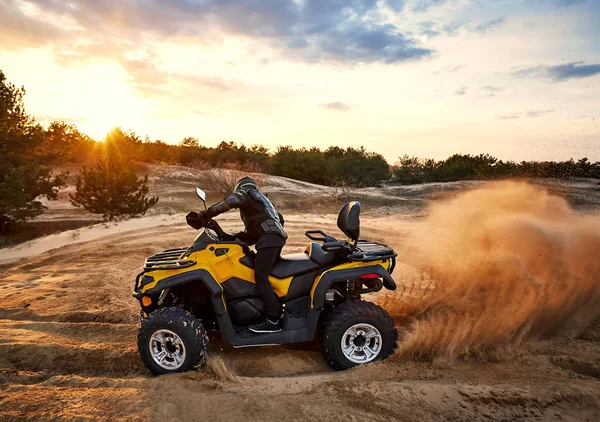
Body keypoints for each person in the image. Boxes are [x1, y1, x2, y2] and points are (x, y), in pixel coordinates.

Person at [186, 176, 287, 333]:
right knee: (255, 271)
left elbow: (230, 201)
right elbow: (249, 236)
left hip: (269, 240)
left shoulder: (247, 194)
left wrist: (208, 213)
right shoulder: (264, 204)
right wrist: (220, 232)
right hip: (273, 239)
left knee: (261, 278)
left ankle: (273, 320)